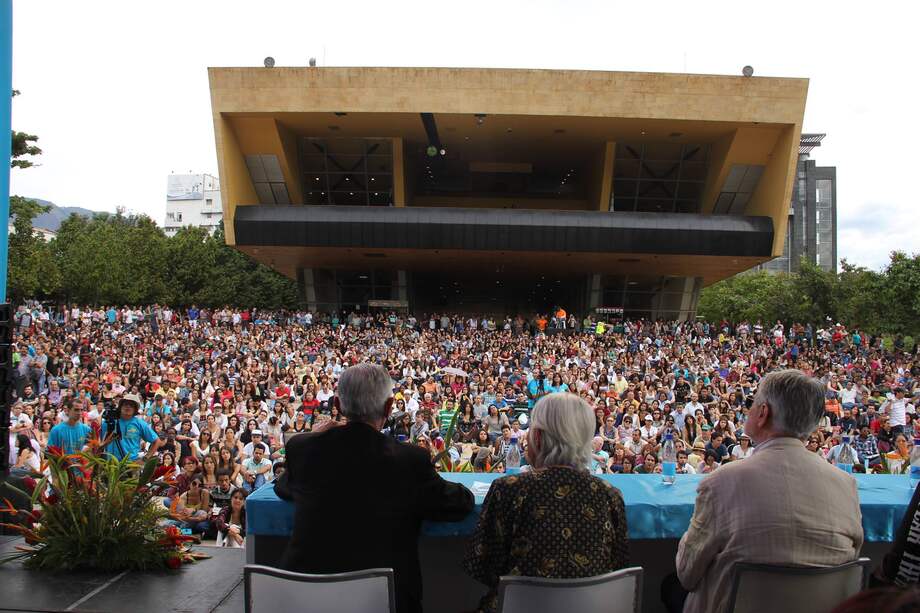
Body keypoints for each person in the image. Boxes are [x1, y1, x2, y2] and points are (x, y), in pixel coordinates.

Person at [275, 363, 474, 613]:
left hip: (305, 602)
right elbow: (459, 503)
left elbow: (284, 486)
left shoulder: (303, 448)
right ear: (389, 407)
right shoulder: (410, 460)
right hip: (386, 603)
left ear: (336, 405)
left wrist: (315, 437)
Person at [665, 369, 864, 613]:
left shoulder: (720, 481)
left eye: (753, 402)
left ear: (763, 413)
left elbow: (687, 573)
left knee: (670, 587)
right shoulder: (846, 484)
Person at [463, 392, 629, 613]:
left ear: (538, 438)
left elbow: (484, 567)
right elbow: (618, 567)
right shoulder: (610, 495)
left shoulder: (509, 489)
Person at [100, 394, 163, 460]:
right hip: (110, 464)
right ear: (120, 406)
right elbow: (100, 442)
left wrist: (145, 459)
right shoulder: (109, 422)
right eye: (125, 404)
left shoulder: (140, 423)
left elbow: (157, 441)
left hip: (131, 464)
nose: (128, 407)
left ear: (135, 409)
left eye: (131, 405)